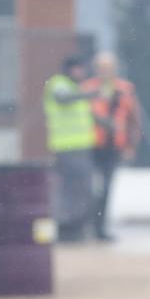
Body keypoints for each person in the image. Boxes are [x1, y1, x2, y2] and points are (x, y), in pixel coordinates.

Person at [81, 51, 141, 242]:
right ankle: (85, 226)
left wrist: (131, 146)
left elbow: (134, 120)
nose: (104, 71)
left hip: (113, 146)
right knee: (89, 188)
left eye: (108, 67)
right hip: (89, 146)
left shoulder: (125, 89)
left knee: (106, 188)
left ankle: (100, 228)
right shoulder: (87, 89)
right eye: (101, 67)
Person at [43, 57, 98, 240]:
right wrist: (89, 94)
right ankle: (67, 227)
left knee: (80, 189)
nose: (81, 73)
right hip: (67, 147)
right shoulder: (59, 84)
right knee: (73, 189)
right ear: (68, 70)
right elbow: (62, 98)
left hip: (80, 147)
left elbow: (86, 116)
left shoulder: (76, 88)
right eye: (77, 69)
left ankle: (76, 227)